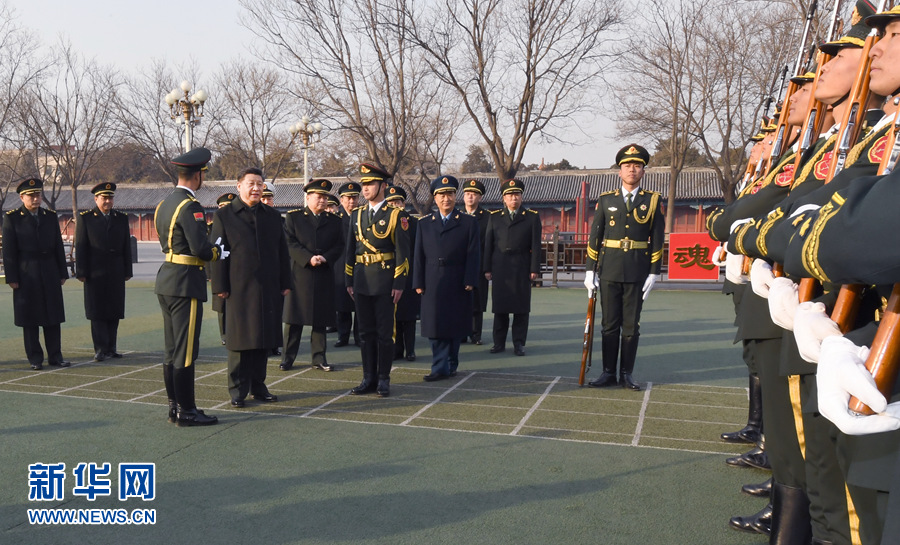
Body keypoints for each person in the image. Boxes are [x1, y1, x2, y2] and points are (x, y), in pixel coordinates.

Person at [154, 147, 228, 427]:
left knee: (171, 349)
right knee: (185, 351)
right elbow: (199, 248)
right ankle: (187, 411)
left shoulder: (164, 204)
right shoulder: (190, 206)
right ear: (197, 175)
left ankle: (175, 406)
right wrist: (216, 253)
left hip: (167, 278)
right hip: (185, 280)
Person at [584, 144, 664, 391]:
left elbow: (658, 238)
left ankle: (626, 373)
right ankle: (608, 372)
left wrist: (654, 272)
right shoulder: (606, 200)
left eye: (637, 165)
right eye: (627, 165)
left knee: (631, 325)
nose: (632, 169)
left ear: (643, 171)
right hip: (609, 270)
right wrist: (589, 271)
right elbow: (595, 236)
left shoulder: (652, 200)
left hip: (637, 271)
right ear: (620, 171)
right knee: (609, 324)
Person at [209, 167, 290, 408]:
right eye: (251, 184)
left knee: (263, 340)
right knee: (239, 341)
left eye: (260, 184)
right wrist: (220, 286)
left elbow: (282, 253)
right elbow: (218, 253)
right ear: (239, 186)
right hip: (237, 288)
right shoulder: (224, 216)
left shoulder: (273, 216)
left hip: (267, 287)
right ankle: (237, 389)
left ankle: (258, 385)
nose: (256, 188)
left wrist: (285, 282)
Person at [345, 163, 411, 397]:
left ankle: (384, 378)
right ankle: (368, 378)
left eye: (370, 184)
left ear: (383, 185)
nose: (365, 188)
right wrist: (349, 280)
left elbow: (403, 253)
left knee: (385, 333)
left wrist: (399, 283)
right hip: (362, 280)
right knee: (365, 333)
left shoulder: (396, 215)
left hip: (385, 282)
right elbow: (350, 250)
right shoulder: (357, 215)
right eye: (363, 184)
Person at [414, 175, 481, 381]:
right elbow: (418, 255)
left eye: (450, 194)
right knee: (435, 325)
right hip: (432, 278)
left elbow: (473, 253)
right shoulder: (425, 223)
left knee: (455, 324)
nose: (446, 199)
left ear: (455, 196)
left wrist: (470, 279)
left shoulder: (468, 222)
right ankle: (440, 367)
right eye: (442, 195)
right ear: (435, 198)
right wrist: (418, 282)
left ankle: (451, 363)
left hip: (457, 278)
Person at [2, 178, 70, 371]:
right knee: (30, 318)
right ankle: (35, 358)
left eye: (38, 195)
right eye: (31, 195)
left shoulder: (50, 216)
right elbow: (8, 251)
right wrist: (12, 277)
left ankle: (55, 356)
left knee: (53, 315)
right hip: (26, 272)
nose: (35, 198)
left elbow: (58, 245)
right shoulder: (13, 218)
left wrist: (62, 272)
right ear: (22, 197)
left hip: (49, 269)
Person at [280, 178, 343, 372]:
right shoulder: (294, 217)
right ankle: (287, 358)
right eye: (319, 197)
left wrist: (325, 258)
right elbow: (289, 243)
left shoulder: (334, 220)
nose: (323, 201)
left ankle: (319, 358)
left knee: (320, 320)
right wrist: (308, 258)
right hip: (300, 274)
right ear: (308, 198)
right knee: (294, 321)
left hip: (323, 274)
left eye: (325, 197)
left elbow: (339, 245)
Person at [75, 182, 133, 362]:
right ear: (96, 199)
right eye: (104, 198)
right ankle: (100, 349)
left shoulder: (121, 218)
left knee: (114, 310)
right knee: (97, 311)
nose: (108, 201)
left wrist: (127, 270)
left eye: (110, 198)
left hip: (115, 270)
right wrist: (81, 271)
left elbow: (126, 246)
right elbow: (81, 246)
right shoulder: (86, 218)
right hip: (95, 271)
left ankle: (111, 348)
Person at [483, 178, 542, 356]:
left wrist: (534, 269)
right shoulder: (494, 218)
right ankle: (498, 343)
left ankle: (519, 343)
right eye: (509, 195)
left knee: (521, 309)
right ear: (504, 198)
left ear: (521, 197)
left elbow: (536, 245)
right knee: (500, 308)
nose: (513, 198)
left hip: (521, 265)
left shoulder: (531, 217)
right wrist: (487, 268)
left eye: (516, 195)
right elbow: (488, 245)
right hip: (500, 265)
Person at [386, 185, 420, 361]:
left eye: (397, 202)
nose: (394, 205)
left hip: (409, 273)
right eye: (391, 202)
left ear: (404, 203)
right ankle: (397, 349)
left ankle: (411, 350)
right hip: (390, 273)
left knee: (409, 316)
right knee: (395, 315)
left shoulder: (414, 223)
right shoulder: (384, 223)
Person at [461, 179, 491, 345]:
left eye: (473, 194)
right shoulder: (457, 215)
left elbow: (488, 244)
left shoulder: (486, 217)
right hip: (459, 265)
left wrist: (487, 267)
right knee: (459, 300)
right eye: (467, 194)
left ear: (479, 197)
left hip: (478, 264)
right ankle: (461, 333)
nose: (470, 197)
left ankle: (476, 334)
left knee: (477, 301)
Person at [334, 182, 361, 348]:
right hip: (340, 265)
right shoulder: (336, 220)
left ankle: (359, 336)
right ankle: (342, 336)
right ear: (341, 200)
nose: (351, 202)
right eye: (348, 198)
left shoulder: (363, 217)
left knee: (360, 303)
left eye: (355, 198)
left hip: (360, 266)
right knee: (342, 304)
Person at [211, 192, 236, 346]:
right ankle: (224, 334)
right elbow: (210, 251)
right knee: (221, 306)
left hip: (235, 270)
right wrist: (211, 274)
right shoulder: (213, 226)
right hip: (219, 269)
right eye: (223, 207)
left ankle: (233, 331)